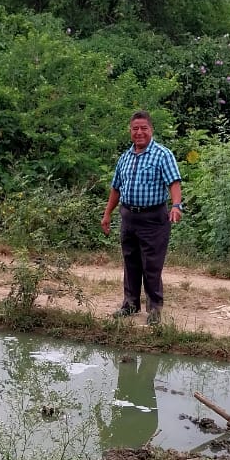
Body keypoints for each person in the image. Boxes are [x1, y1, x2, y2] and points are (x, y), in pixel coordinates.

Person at [101, 112, 183, 324]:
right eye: (135, 129)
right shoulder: (125, 157)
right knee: (131, 262)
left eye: (143, 128)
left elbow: (174, 183)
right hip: (129, 217)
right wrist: (107, 213)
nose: (139, 132)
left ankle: (154, 308)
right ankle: (130, 304)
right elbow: (116, 188)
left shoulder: (162, 155)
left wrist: (176, 205)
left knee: (151, 265)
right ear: (130, 131)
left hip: (153, 218)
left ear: (151, 130)